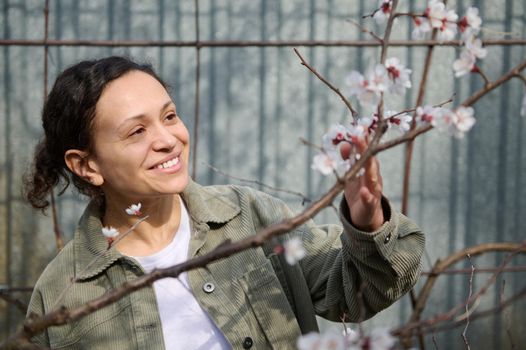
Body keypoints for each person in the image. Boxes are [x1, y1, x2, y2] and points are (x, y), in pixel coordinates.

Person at [25, 56, 424, 349]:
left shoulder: (250, 219)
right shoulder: (63, 294)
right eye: (137, 131)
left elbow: (358, 291)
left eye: (169, 116)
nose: (167, 139)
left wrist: (368, 222)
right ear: (87, 165)